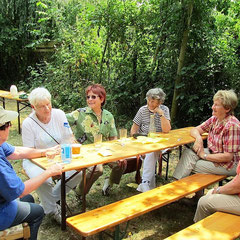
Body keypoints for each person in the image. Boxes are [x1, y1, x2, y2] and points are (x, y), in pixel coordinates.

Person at [0, 106, 63, 240]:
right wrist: (49, 172)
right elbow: (20, 190)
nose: (10, 127)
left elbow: (17, 152)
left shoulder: (0, 144)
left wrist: (44, 152)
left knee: (29, 199)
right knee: (38, 211)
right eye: (8, 124)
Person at [22, 87, 82, 223]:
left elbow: (69, 136)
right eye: (42, 106)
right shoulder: (28, 124)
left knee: (78, 172)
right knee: (44, 178)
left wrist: (71, 144)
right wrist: (45, 153)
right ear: (33, 107)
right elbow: (29, 152)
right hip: (35, 160)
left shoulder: (59, 114)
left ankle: (47, 205)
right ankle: (54, 210)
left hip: (59, 156)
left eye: (48, 104)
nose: (47, 109)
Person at [173, 90, 240, 202]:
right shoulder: (215, 119)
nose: (212, 107)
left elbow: (228, 157)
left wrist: (204, 156)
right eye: (213, 103)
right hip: (214, 153)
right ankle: (176, 188)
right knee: (188, 153)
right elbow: (194, 129)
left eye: (216, 105)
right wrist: (198, 139)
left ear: (227, 108)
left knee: (192, 164)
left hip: (229, 165)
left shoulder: (232, 126)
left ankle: (178, 192)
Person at [67, 84, 126, 196]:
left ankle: (109, 183)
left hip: (103, 151)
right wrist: (70, 136)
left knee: (121, 163)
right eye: (88, 97)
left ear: (102, 99)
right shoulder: (80, 113)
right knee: (97, 169)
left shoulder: (108, 116)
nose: (90, 99)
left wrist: (118, 154)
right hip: (85, 152)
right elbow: (61, 120)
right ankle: (80, 193)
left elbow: (113, 137)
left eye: (93, 97)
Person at [130, 88, 171, 192]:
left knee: (153, 150)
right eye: (148, 100)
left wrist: (161, 114)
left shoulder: (164, 110)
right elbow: (133, 130)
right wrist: (137, 143)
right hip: (144, 141)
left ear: (160, 101)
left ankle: (145, 183)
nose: (149, 103)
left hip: (161, 143)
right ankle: (147, 184)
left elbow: (167, 130)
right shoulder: (142, 110)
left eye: (152, 101)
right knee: (152, 151)